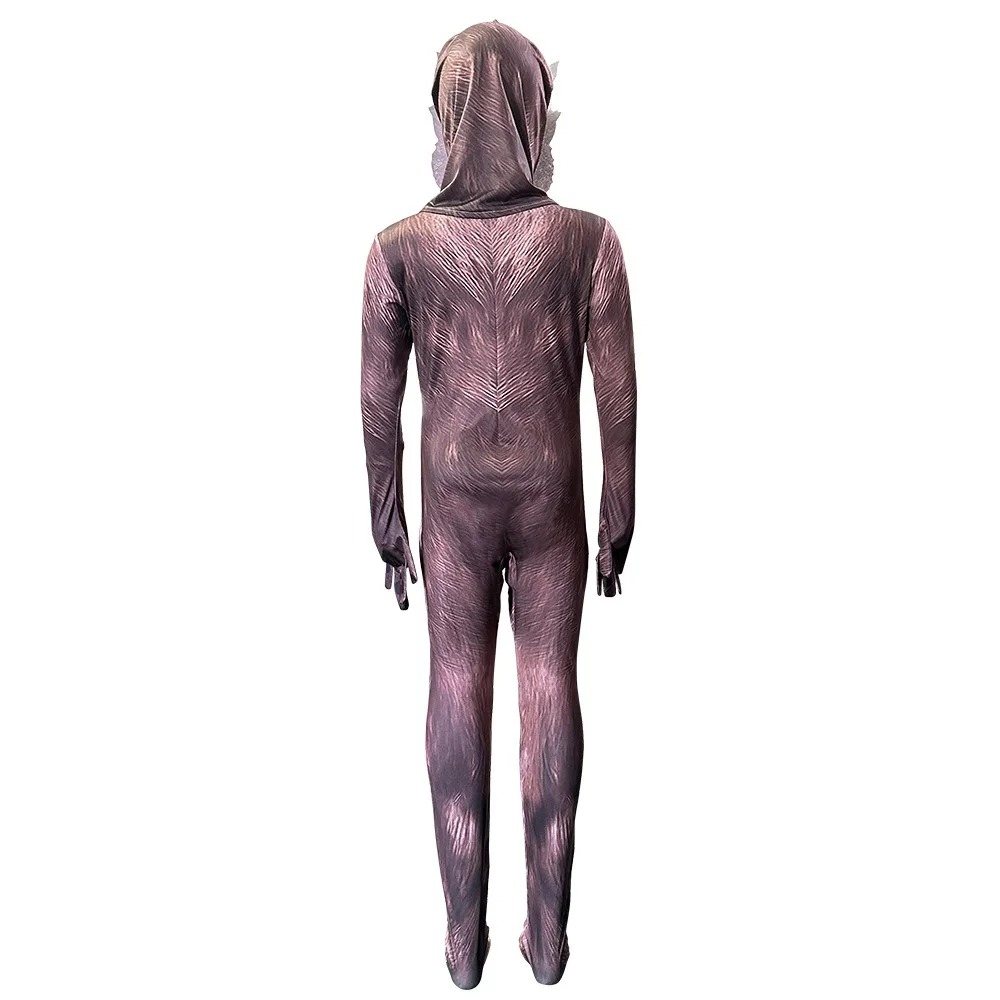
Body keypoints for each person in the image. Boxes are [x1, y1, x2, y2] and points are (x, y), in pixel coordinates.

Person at [360, 20, 637, 988]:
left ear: (448, 115)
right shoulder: (589, 242)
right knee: (549, 684)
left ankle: (459, 940)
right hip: (553, 497)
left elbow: (377, 404)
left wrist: (385, 518)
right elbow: (618, 396)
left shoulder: (397, 250)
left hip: (452, 501)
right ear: (531, 113)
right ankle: (548, 939)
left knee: (453, 683)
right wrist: (619, 516)